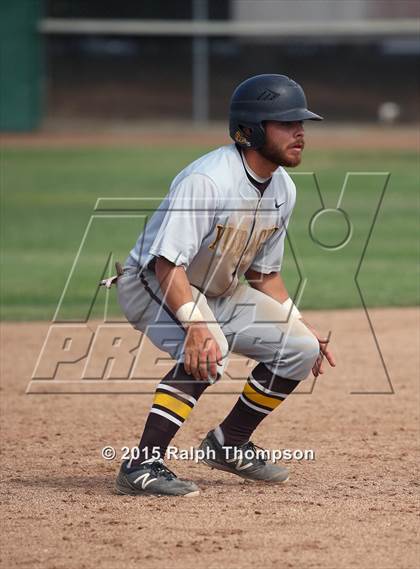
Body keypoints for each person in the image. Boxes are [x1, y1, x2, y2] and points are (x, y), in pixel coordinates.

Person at [114, 74, 335, 497]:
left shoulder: (283, 189)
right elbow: (166, 264)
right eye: (286, 123)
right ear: (251, 129)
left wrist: (301, 325)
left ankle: (228, 442)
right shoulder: (208, 180)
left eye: (301, 123)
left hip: (218, 288)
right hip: (151, 284)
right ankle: (140, 466)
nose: (300, 132)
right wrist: (196, 326)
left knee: (302, 350)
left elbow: (265, 275)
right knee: (209, 347)